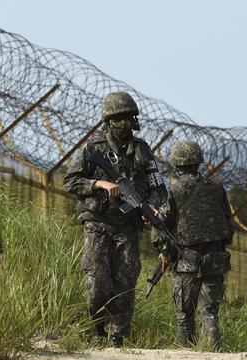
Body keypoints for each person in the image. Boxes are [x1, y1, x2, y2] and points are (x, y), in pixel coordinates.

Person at [63, 91, 166, 347]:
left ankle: (117, 337)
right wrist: (100, 183)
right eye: (117, 120)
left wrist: (149, 208)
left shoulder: (142, 150)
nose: (123, 125)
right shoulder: (93, 148)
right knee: (97, 281)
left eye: (127, 119)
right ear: (108, 122)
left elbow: (158, 187)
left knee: (126, 280)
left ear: (134, 121)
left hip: (127, 227)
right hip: (98, 223)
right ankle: (95, 330)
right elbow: (70, 181)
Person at [153, 139, 233, 350]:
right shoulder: (217, 187)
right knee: (210, 311)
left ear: (176, 163)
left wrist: (163, 251)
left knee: (184, 313)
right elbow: (226, 217)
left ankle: (185, 352)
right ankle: (213, 352)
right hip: (215, 257)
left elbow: (162, 225)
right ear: (198, 161)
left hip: (187, 259)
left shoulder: (175, 190)